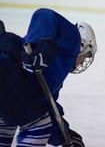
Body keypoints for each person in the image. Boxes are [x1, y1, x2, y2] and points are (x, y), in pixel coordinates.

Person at [0, 8, 97, 146]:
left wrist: (67, 136)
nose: (82, 62)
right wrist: (38, 45)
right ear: (83, 45)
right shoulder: (73, 40)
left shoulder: (56, 70)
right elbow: (44, 14)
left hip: (10, 91)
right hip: (8, 68)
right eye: (86, 56)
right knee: (39, 126)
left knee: (11, 122)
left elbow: (48, 106)